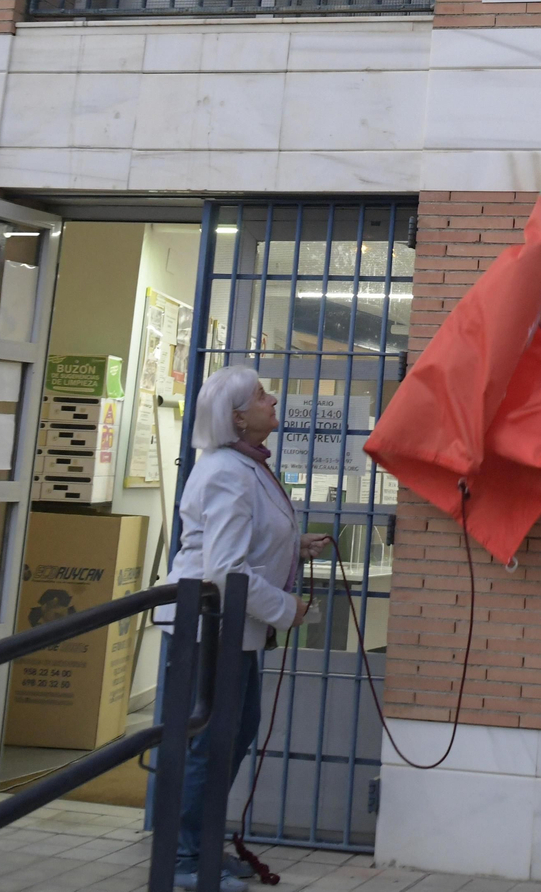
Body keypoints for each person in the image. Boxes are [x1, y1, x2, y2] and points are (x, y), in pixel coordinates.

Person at [160, 365, 329, 890]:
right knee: (213, 742)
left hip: (231, 629)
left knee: (234, 734)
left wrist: (290, 547)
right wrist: (287, 609)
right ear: (237, 418)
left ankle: (201, 847)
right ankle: (186, 861)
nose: (272, 398)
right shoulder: (229, 472)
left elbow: (239, 542)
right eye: (260, 396)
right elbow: (225, 570)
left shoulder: (241, 466)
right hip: (210, 630)